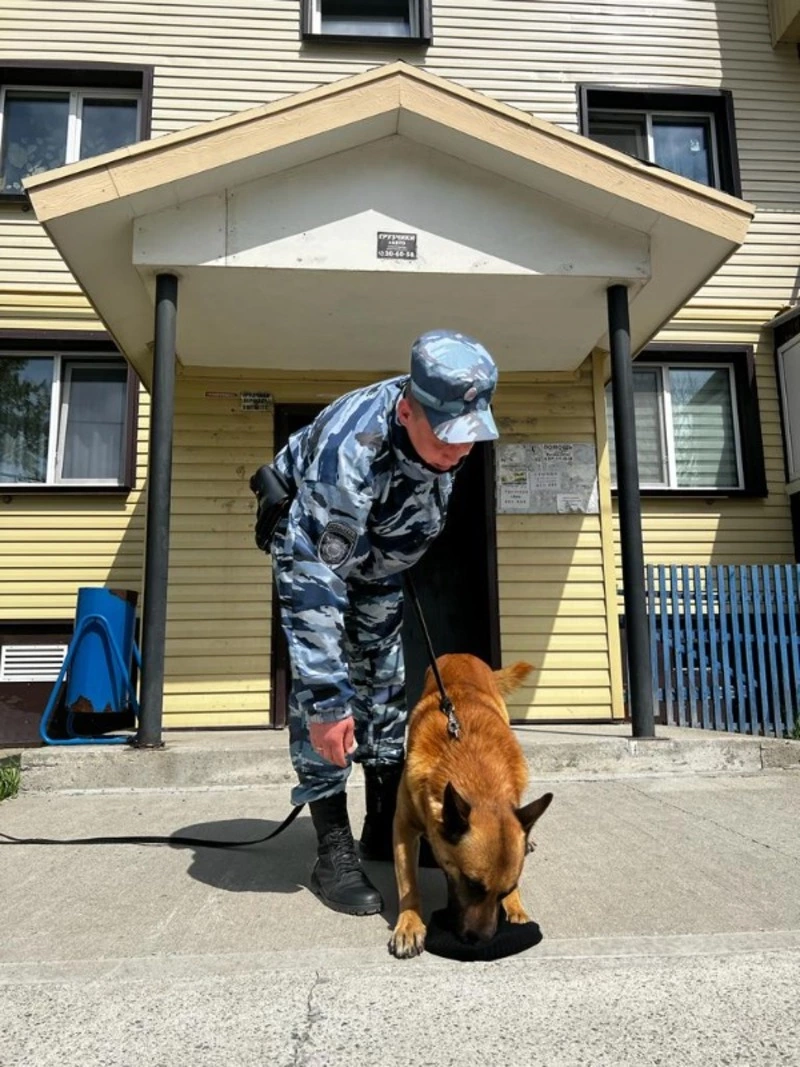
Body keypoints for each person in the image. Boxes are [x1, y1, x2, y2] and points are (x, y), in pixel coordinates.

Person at [251, 329, 499, 916]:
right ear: (408, 410)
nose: (459, 452)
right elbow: (314, 587)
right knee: (328, 703)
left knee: (386, 686)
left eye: (470, 438)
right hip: (319, 561)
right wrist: (329, 703)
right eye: (447, 438)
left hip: (378, 567)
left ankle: (382, 823)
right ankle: (331, 848)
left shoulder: (448, 429)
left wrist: (390, 556)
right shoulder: (350, 454)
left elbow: (421, 496)